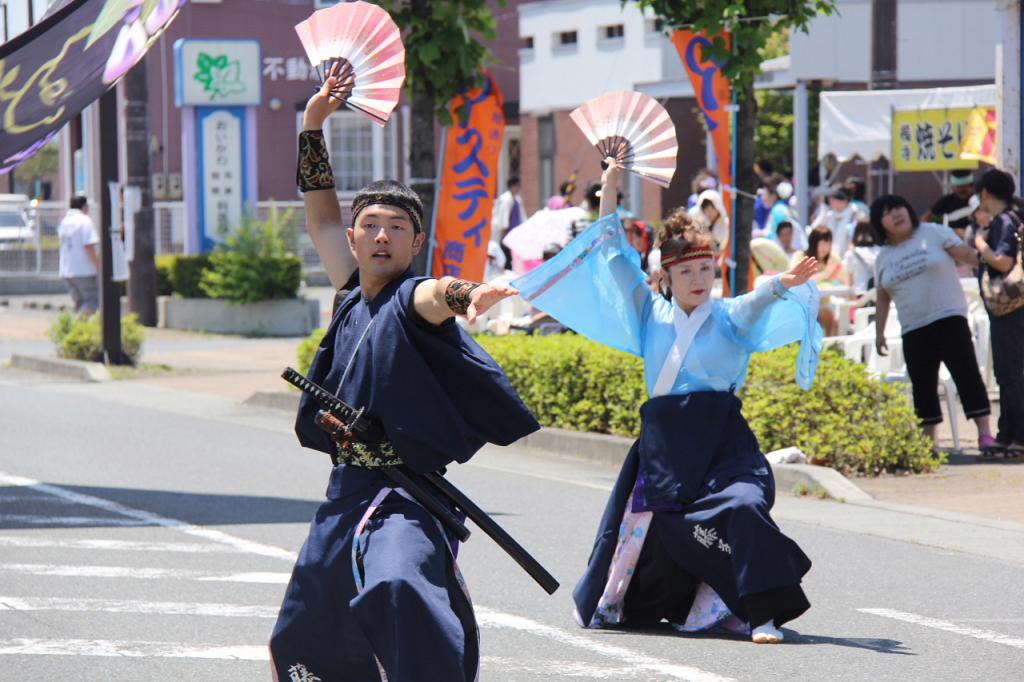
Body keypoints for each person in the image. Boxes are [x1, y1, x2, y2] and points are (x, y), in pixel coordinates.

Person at [270, 75, 540, 682]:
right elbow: (319, 216)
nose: (382, 234)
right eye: (371, 225)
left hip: (406, 498)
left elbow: (438, 292)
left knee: (399, 586)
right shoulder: (348, 295)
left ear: (417, 241)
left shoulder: (411, 298)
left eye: (397, 226)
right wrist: (312, 125)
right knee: (303, 632)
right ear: (354, 238)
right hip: (346, 493)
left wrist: (470, 293)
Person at [514, 158, 822, 645]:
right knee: (654, 533)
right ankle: (653, 605)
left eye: (707, 268)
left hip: (723, 445)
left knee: (743, 506)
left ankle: (760, 611)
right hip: (666, 448)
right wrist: (612, 185)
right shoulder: (648, 314)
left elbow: (759, 301)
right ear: (667, 277)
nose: (700, 279)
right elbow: (615, 254)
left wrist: (782, 284)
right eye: (689, 271)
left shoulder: (729, 317)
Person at [870, 194, 995, 451]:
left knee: (967, 375)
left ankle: (985, 433)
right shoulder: (883, 257)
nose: (896, 214)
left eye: (898, 207)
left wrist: (992, 253)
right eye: (887, 212)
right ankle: (929, 445)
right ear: (879, 223)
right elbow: (883, 299)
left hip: (949, 317)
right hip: (913, 327)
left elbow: (969, 256)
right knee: (923, 386)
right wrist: (879, 333)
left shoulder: (934, 232)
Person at [973, 169, 1024, 457]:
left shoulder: (1004, 221)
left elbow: (1003, 262)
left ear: (986, 194)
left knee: (1010, 372)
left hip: (1010, 308)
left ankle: (1016, 435)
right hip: (1013, 307)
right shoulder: (1014, 217)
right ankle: (1008, 434)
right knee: (1009, 371)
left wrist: (980, 244)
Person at [792, 226, 844, 336]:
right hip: (804, 303)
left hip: (827, 301)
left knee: (835, 317)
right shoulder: (801, 257)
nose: (825, 248)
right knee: (827, 315)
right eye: (822, 244)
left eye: (828, 244)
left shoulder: (832, 258)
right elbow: (796, 277)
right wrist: (825, 274)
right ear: (813, 243)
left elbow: (844, 279)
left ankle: (830, 347)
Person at [57, 195, 100, 314]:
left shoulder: (64, 221)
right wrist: (98, 266)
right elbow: (89, 245)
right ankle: (76, 325)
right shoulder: (84, 221)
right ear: (85, 206)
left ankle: (77, 329)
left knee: (80, 303)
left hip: (66, 271)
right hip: (83, 270)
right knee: (92, 301)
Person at [810, 186, 864, 257]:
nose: (830, 201)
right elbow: (814, 230)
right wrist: (823, 210)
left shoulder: (856, 214)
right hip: (832, 258)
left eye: (833, 199)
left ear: (843, 200)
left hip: (848, 258)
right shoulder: (829, 215)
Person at [923, 169, 976, 236]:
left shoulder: (978, 199)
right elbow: (926, 217)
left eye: (963, 187)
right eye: (958, 187)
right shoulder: (946, 200)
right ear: (953, 186)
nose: (960, 190)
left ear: (971, 186)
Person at [491, 176, 525, 262]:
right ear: (512, 186)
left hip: (513, 231)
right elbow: (503, 217)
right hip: (506, 233)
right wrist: (504, 231)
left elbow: (521, 215)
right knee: (506, 256)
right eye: (517, 186)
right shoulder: (506, 199)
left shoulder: (517, 199)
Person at [843, 220, 881, 294]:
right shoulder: (881, 251)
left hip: (860, 295)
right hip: (879, 294)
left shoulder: (851, 254)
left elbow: (850, 282)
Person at [695, 188, 730, 255]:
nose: (708, 213)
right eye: (705, 210)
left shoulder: (726, 224)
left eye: (711, 209)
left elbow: (724, 250)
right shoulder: (702, 226)